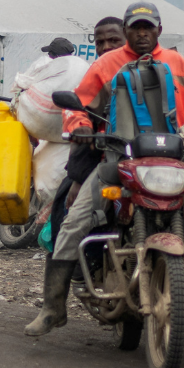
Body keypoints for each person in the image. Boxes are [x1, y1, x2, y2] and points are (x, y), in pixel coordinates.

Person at [25, 1, 184, 368]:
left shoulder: (177, 62)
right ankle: (53, 306)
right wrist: (83, 128)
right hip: (118, 161)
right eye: (135, 27)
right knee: (75, 222)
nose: (142, 33)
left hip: (174, 162)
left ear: (158, 29)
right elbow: (78, 107)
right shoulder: (106, 65)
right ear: (127, 30)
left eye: (148, 28)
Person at [48, 17, 127, 241]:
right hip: (106, 154)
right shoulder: (98, 71)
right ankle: (72, 271)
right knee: (67, 207)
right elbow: (77, 107)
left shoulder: (164, 67)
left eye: (113, 40)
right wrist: (80, 126)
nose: (106, 47)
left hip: (156, 156)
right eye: (100, 43)